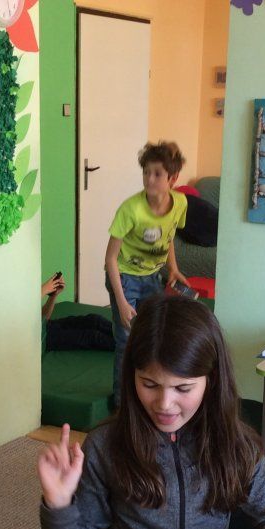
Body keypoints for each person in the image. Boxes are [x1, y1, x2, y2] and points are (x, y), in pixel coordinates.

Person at [37, 294, 265, 529]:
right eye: (149, 384)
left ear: (211, 381)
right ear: (131, 375)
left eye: (183, 388)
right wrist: (60, 505)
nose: (164, 404)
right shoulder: (106, 446)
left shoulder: (236, 448)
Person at [105, 141, 195, 405]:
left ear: (172, 178)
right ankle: (122, 402)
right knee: (126, 340)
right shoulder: (130, 209)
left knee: (152, 336)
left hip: (152, 277)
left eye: (157, 174)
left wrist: (173, 268)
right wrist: (122, 302)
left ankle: (147, 393)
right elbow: (110, 259)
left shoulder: (180, 203)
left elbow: (168, 237)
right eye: (146, 172)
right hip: (124, 278)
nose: (149, 179)